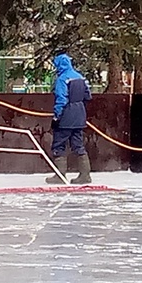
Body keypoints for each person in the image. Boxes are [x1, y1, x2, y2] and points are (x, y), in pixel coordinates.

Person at [47, 52, 92, 185]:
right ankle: (85, 175)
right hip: (80, 115)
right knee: (78, 145)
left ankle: (60, 175)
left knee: (59, 144)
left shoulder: (62, 79)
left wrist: (56, 115)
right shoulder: (80, 77)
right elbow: (88, 96)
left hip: (66, 116)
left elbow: (61, 99)